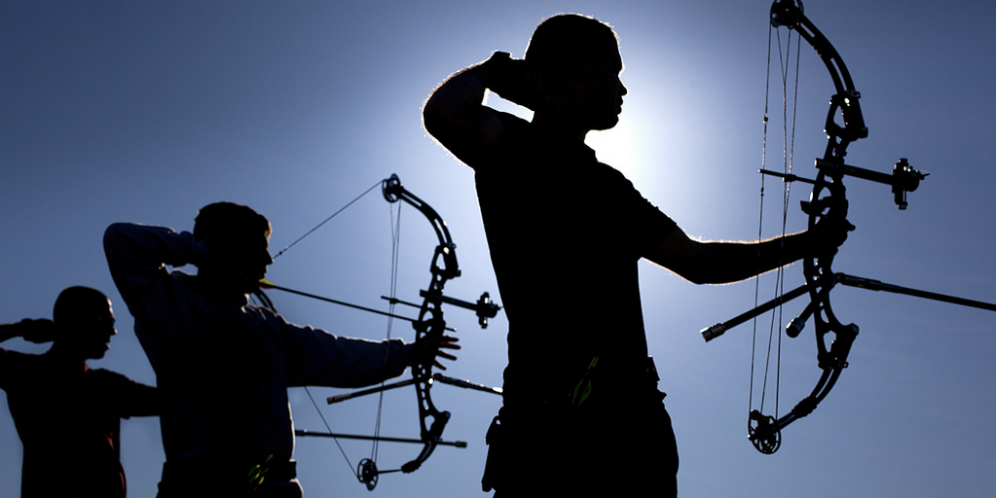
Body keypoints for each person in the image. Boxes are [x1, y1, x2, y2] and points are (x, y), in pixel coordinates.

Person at [422, 13, 850, 497]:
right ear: (579, 67)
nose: (621, 88)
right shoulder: (511, 147)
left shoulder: (609, 188)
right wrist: (497, 73)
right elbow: (443, 113)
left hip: (620, 429)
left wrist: (809, 242)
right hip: (559, 433)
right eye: (613, 70)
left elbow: (698, 262)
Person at [103, 201, 459, 497]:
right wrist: (200, 251)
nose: (268, 262)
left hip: (275, 488)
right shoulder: (171, 304)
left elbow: (338, 355)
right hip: (201, 486)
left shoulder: (267, 326)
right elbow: (121, 239)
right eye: (259, 249)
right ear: (228, 248)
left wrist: (410, 353)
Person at [0, 286, 159, 498]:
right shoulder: (27, 374)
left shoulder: (106, 385)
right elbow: (176, 401)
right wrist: (23, 328)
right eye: (107, 321)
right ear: (78, 321)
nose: (113, 331)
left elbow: (173, 401)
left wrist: (21, 329)